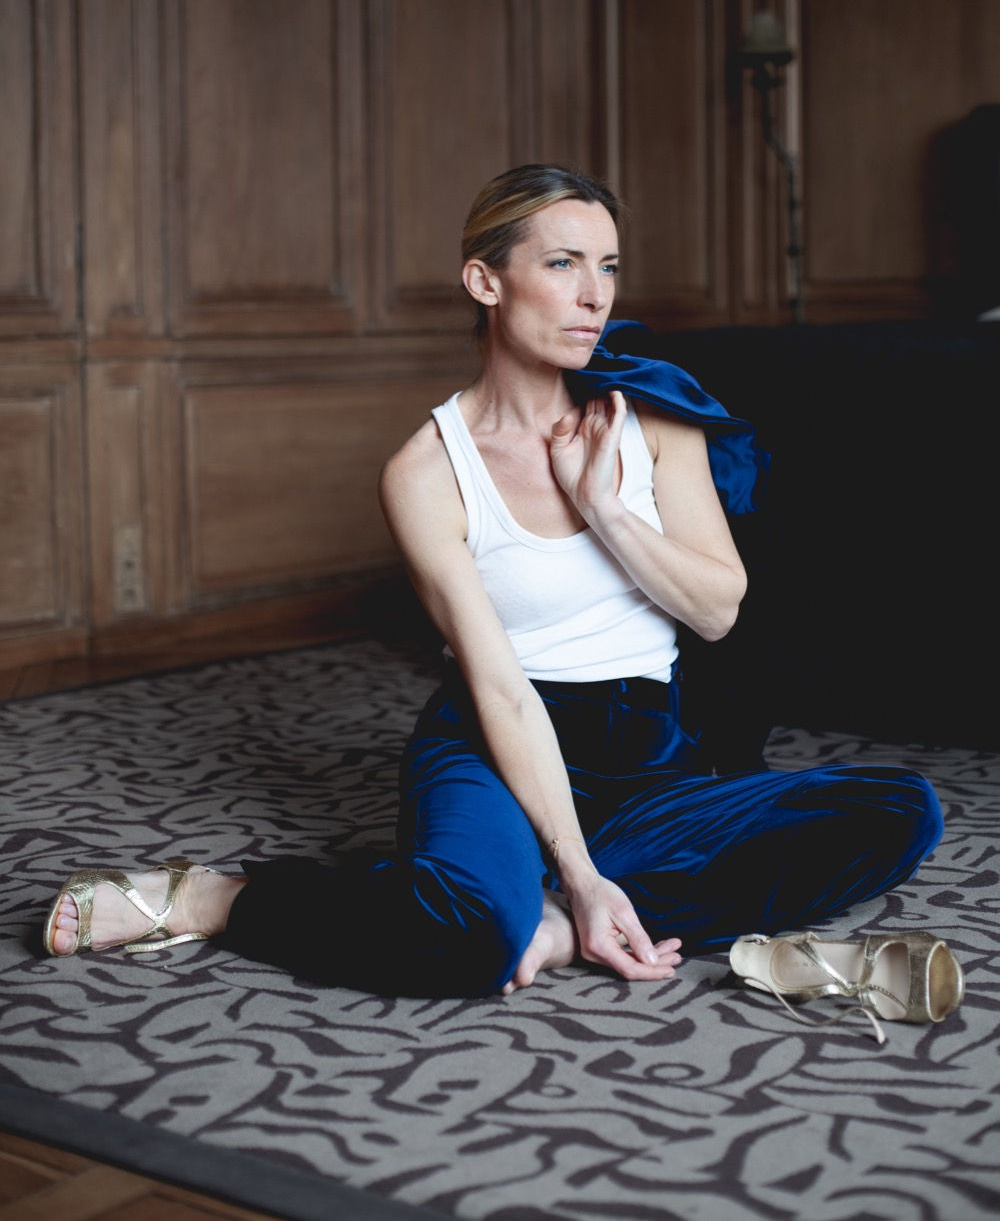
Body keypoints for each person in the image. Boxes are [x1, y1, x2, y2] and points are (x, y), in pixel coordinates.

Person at [44, 163, 945, 998]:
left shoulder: (654, 419)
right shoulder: (428, 472)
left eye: (608, 266)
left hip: (649, 756)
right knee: (470, 939)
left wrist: (606, 509)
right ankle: (225, 897)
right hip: (494, 739)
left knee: (901, 810)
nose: (595, 295)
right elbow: (501, 690)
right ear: (486, 281)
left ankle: (550, 923)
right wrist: (582, 871)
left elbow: (716, 611)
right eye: (562, 263)